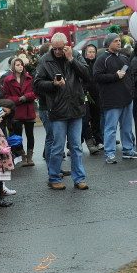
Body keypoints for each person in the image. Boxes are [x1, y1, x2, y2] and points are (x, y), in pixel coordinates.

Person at [34, 32, 91, 189]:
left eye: (61, 48)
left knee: (76, 146)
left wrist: (71, 59)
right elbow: (37, 84)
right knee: (58, 146)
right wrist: (53, 84)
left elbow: (87, 75)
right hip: (58, 109)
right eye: (56, 48)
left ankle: (79, 178)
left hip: (76, 107)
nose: (58, 51)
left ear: (68, 45)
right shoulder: (45, 60)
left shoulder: (75, 55)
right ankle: (54, 177)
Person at [93, 33, 137, 164]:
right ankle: (109, 153)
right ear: (109, 43)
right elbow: (97, 77)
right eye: (115, 41)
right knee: (111, 128)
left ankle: (128, 151)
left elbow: (130, 75)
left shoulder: (124, 57)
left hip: (126, 98)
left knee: (126, 127)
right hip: (111, 100)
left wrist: (131, 91)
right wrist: (115, 76)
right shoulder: (102, 58)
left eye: (119, 41)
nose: (119, 43)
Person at [3, 57, 38, 166]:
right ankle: (22, 155)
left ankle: (30, 156)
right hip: (17, 111)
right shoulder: (8, 80)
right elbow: (6, 96)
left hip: (28, 110)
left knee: (30, 134)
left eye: (21, 64)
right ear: (13, 67)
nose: (20, 66)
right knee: (18, 135)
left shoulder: (29, 78)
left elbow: (34, 93)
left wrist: (25, 97)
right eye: (17, 65)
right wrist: (17, 99)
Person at [81, 44, 104, 154]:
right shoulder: (82, 64)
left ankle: (98, 140)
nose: (91, 54)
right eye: (89, 52)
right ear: (85, 53)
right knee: (85, 120)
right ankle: (75, 145)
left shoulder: (97, 64)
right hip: (85, 95)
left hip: (96, 95)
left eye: (93, 52)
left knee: (96, 118)